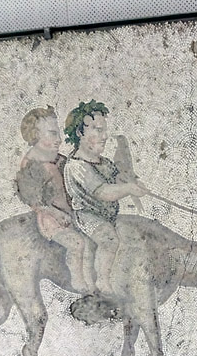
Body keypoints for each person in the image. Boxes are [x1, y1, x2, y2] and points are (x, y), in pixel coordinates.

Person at [62, 100, 147, 296]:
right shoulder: (77, 166)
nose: (105, 136)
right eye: (98, 130)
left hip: (107, 215)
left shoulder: (105, 162)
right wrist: (128, 188)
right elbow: (103, 192)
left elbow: (117, 179)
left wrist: (133, 183)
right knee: (109, 239)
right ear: (80, 133)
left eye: (105, 130)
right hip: (88, 216)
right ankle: (102, 281)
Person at [16, 106, 95, 294]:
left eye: (58, 133)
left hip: (70, 213)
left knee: (91, 242)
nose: (59, 139)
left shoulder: (58, 158)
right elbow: (31, 198)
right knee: (77, 244)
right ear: (35, 135)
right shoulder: (32, 163)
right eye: (52, 133)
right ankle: (77, 281)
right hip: (51, 219)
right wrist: (55, 214)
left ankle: (90, 281)